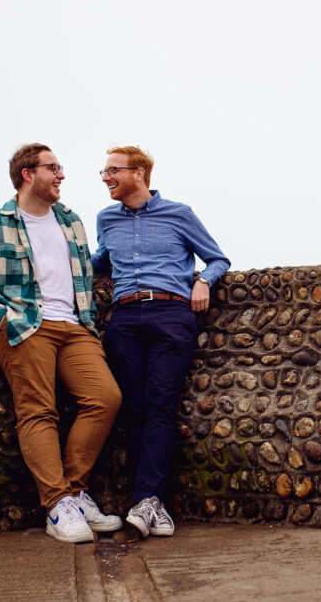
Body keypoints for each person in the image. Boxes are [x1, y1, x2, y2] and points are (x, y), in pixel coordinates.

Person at [0, 143, 123, 544]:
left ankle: (74, 491)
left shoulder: (71, 221)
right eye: (53, 168)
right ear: (27, 174)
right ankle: (56, 506)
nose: (61, 175)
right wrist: (5, 319)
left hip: (75, 325)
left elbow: (90, 266)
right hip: (27, 326)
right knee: (38, 410)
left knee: (106, 398)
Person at [92, 143, 229, 537]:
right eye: (103, 172)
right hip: (125, 317)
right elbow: (103, 259)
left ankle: (148, 499)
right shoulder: (106, 219)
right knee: (132, 407)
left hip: (171, 314)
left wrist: (203, 280)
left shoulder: (179, 214)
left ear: (138, 174)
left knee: (160, 403)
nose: (106, 178)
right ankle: (150, 504)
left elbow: (217, 258)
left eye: (113, 170)